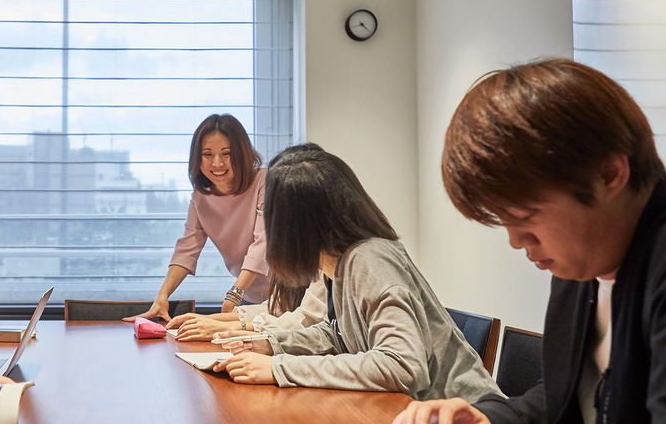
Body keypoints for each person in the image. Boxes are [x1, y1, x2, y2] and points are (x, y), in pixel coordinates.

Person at [307, 59, 666, 424]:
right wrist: (492, 418)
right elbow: (564, 400)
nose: (517, 241)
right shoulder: (586, 262)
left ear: (609, 174)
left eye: (527, 217)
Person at [210, 149, 502, 405]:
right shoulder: (338, 262)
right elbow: (338, 334)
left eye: (266, 212)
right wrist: (270, 344)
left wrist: (279, 368)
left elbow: (403, 366)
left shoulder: (369, 259)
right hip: (412, 416)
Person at [165, 143, 330, 341]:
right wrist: (211, 320)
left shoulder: (331, 249)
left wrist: (233, 324)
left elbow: (306, 320)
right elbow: (279, 307)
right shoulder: (299, 242)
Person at [126, 113, 271, 324]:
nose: (217, 162)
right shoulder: (200, 196)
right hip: (251, 299)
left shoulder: (264, 181)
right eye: (207, 154)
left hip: (289, 295)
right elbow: (187, 249)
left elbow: (264, 242)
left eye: (227, 153)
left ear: (242, 154)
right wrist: (162, 296)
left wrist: (234, 294)